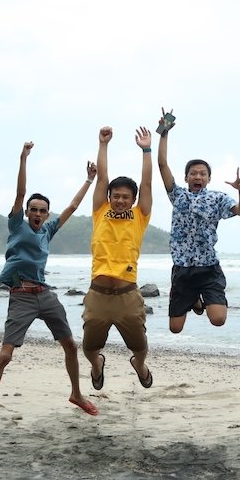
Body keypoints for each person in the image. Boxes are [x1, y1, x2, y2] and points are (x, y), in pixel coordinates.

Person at [0, 142, 98, 443]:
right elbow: (18, 193)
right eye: (33, 210)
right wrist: (23, 159)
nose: (38, 214)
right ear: (26, 212)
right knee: (5, 356)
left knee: (70, 345)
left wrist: (89, 180)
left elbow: (73, 208)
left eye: (42, 210)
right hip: (22, 297)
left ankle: (76, 394)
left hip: (46, 296)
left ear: (46, 213)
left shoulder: (47, 232)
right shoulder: (17, 226)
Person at [157, 109, 240, 333]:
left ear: (209, 178)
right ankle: (195, 301)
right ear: (186, 177)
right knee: (175, 329)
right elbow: (162, 165)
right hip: (182, 269)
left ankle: (201, 300)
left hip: (208, 267)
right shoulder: (177, 195)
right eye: (193, 173)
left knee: (218, 319)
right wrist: (164, 133)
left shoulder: (217, 198)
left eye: (202, 174)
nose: (198, 177)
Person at [83, 125, 154, 392]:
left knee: (140, 346)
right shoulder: (101, 210)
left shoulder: (140, 216)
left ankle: (139, 365)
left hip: (127, 296)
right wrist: (103, 144)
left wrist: (147, 150)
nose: (121, 200)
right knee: (89, 348)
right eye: (117, 196)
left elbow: (147, 183)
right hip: (98, 295)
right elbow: (102, 179)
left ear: (133, 199)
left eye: (126, 197)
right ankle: (97, 364)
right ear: (109, 197)